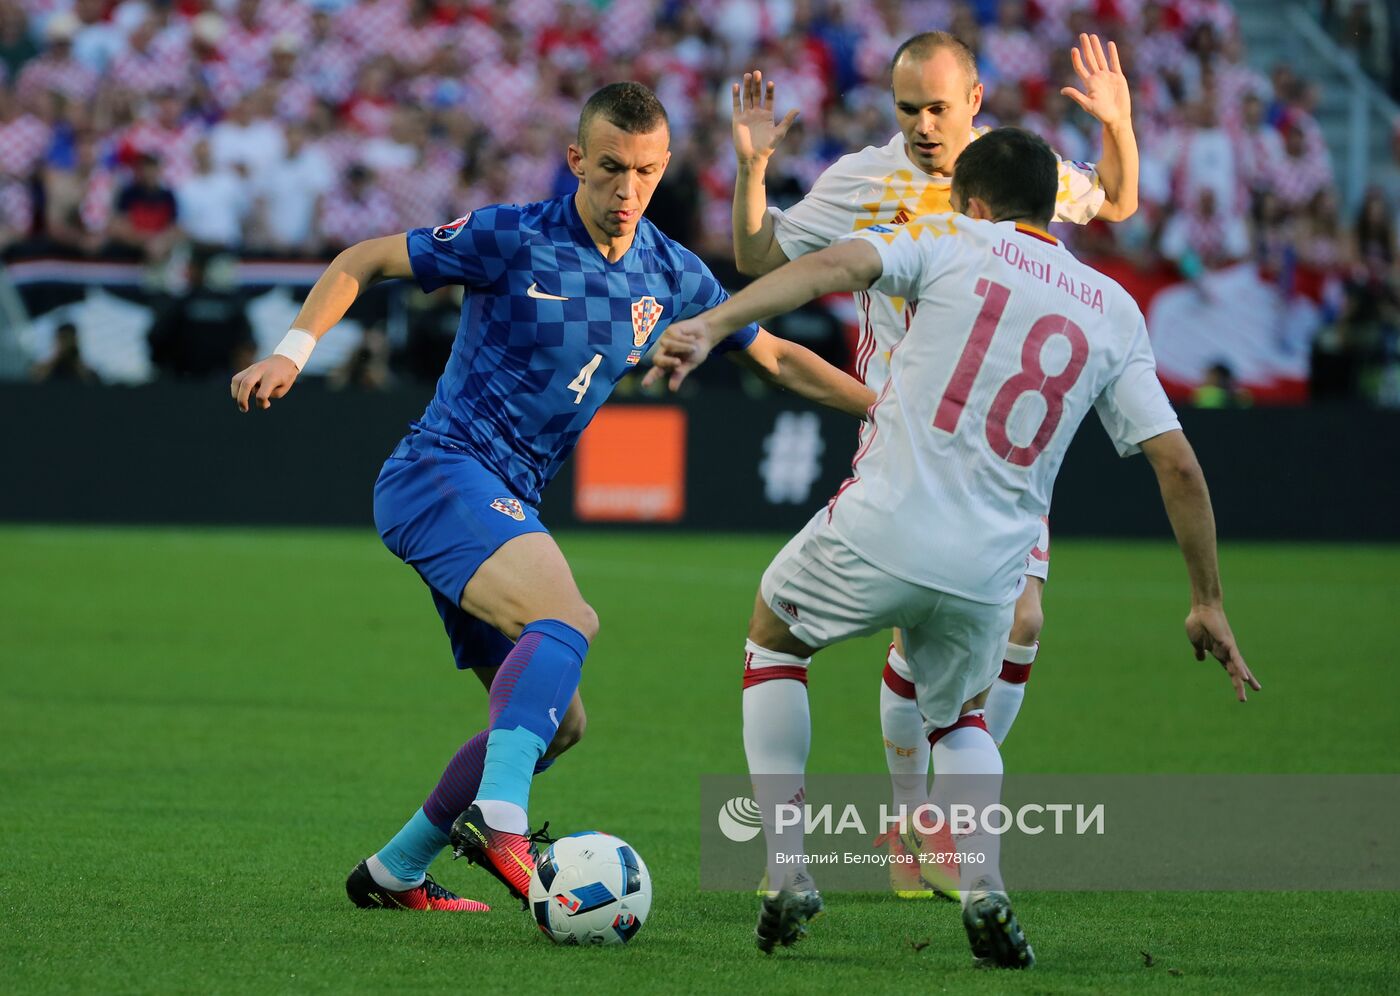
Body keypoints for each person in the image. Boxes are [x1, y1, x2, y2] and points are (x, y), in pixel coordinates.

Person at [229, 81, 875, 913]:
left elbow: (779, 359)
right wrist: (291, 351)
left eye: (644, 172)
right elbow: (364, 260)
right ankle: (505, 824)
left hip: (506, 501)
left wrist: (890, 412)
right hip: (440, 471)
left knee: (557, 723)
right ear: (576, 159)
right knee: (567, 620)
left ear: (665, 167)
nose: (626, 190)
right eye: (609, 169)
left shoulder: (671, 272)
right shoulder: (512, 236)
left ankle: (394, 871)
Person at [649, 126, 1258, 965]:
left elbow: (833, 267)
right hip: (992, 568)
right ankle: (985, 886)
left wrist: (716, 322)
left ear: (973, 203)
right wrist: (1207, 600)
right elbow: (1179, 466)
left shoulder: (946, 238)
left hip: (886, 520)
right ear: (1051, 205)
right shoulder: (1113, 307)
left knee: (773, 640)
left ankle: (788, 867)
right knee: (963, 721)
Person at [729, 30, 1141, 900]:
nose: (922, 125)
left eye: (938, 107)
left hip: (1000, 451)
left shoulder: (1012, 174)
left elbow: (1113, 201)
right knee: (930, 634)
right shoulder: (863, 183)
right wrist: (753, 170)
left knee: (1019, 626)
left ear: (976, 101)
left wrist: (1118, 123)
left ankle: (926, 829)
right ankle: (917, 823)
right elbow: (761, 258)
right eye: (907, 108)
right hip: (910, 441)